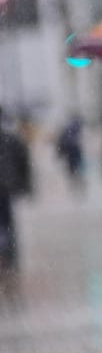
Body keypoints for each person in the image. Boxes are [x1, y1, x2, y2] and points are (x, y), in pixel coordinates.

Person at [0, 106, 31, 272]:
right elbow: (23, 161)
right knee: (8, 224)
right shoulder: (11, 137)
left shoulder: (11, 138)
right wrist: (24, 184)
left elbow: (22, 160)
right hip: (6, 187)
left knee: (7, 224)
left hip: (5, 188)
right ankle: (10, 257)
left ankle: (9, 256)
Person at [56, 115, 85, 194]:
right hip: (74, 154)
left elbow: (62, 144)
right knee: (76, 171)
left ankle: (75, 186)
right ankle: (76, 186)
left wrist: (60, 154)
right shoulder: (75, 131)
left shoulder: (68, 131)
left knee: (73, 171)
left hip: (72, 154)